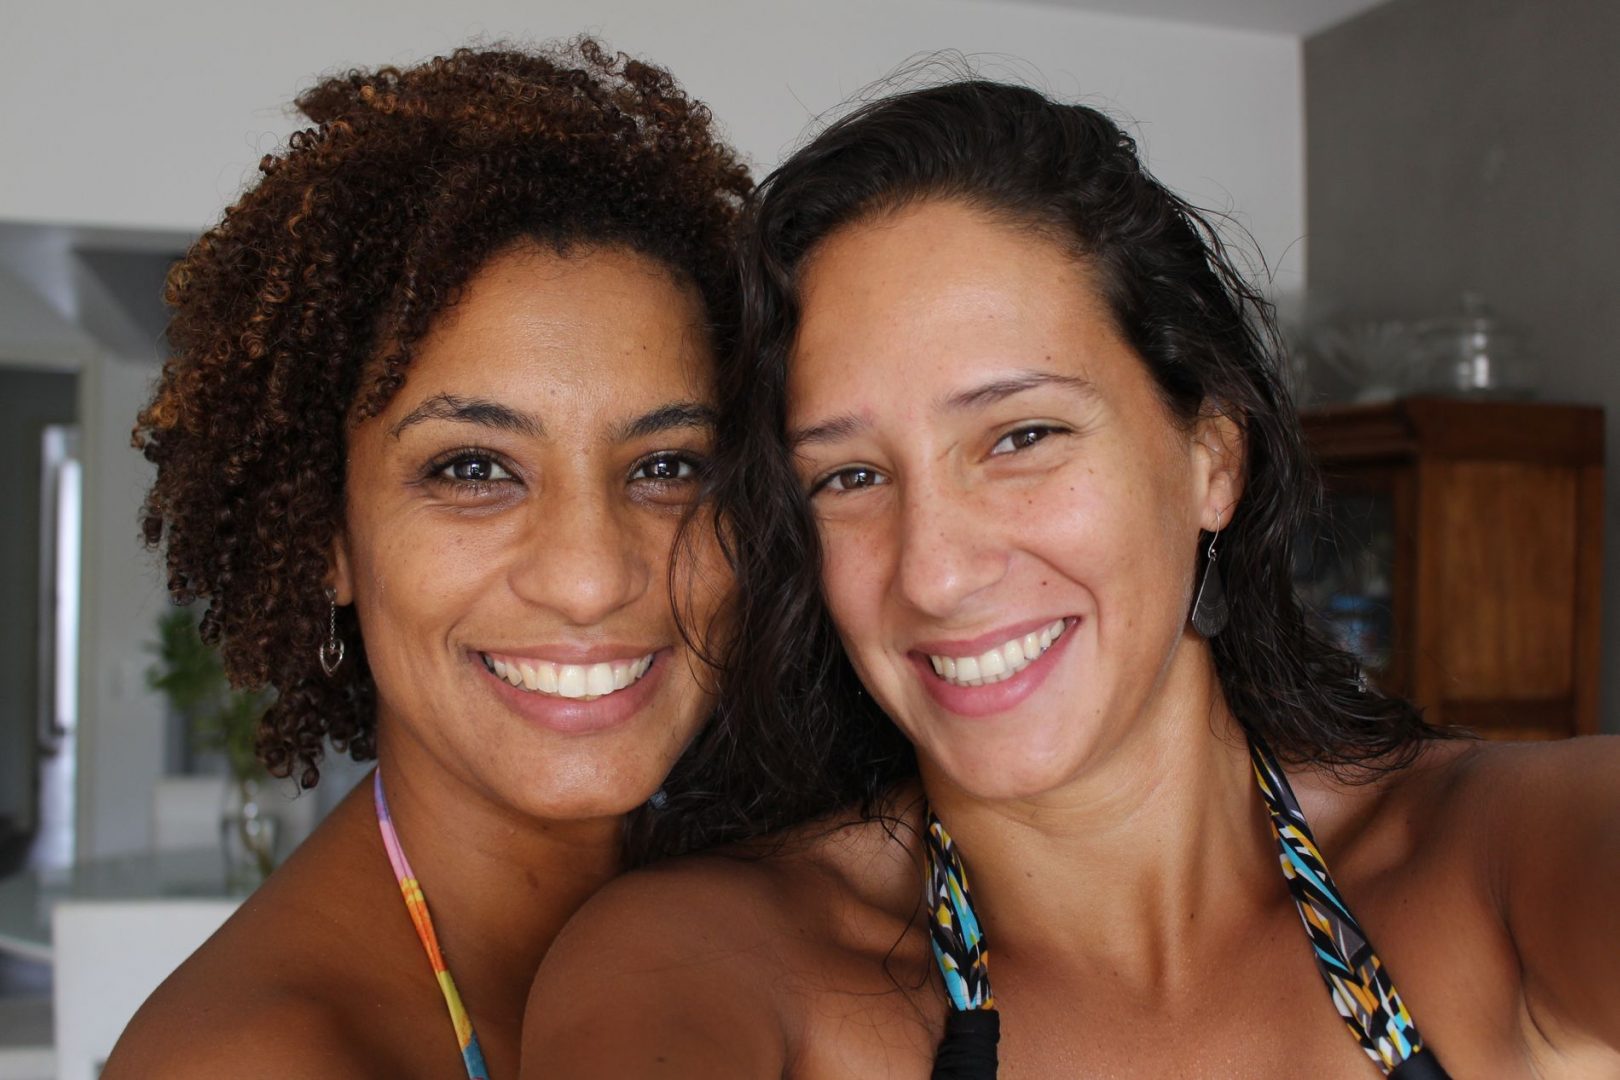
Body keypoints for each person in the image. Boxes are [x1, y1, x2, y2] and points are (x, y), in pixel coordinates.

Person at [523, 79, 1620, 1077]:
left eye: (1022, 436)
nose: (936, 572)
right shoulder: (710, 957)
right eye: (850, 476)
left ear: (1212, 459)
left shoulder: (1500, 858)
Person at [106, 42, 749, 1078]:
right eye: (473, 469)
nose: (590, 577)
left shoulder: (786, 924)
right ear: (327, 536)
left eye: (667, 466)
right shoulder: (256, 1059)